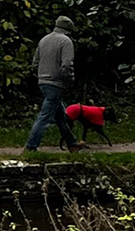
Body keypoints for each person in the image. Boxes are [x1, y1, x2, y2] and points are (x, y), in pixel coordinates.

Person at [24, 16, 87, 152]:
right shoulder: (66, 41)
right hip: (56, 83)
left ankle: (72, 143)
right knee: (44, 116)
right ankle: (31, 147)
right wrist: (70, 79)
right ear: (69, 29)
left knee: (60, 116)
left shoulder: (44, 40)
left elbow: (35, 62)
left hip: (42, 81)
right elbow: (66, 65)